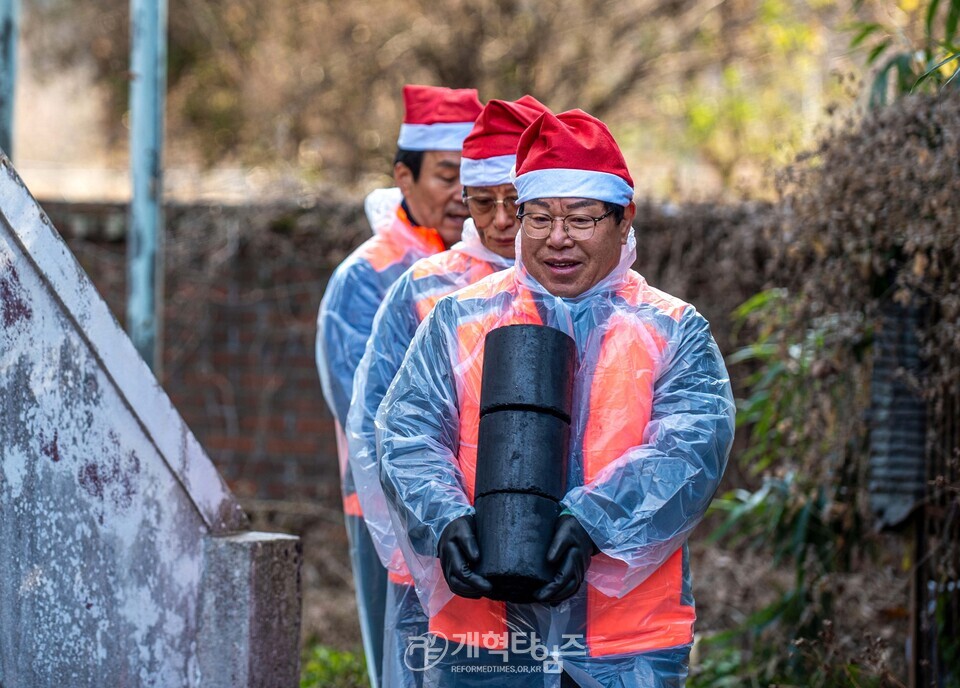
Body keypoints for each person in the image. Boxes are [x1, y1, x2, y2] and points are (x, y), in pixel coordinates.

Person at [377, 109, 736, 687]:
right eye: (539, 217)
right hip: (483, 629)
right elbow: (407, 434)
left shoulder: (672, 328)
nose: (558, 238)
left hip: (627, 638)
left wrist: (593, 525)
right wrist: (445, 522)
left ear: (624, 219)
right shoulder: (461, 318)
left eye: (580, 218)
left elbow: (690, 453)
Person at [345, 96, 548, 688]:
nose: (502, 221)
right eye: (483, 203)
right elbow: (379, 429)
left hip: (556, 560)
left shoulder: (570, 283)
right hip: (445, 557)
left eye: (517, 203)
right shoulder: (424, 289)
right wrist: (426, 539)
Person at [315, 84, 483, 688]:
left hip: (473, 507)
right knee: (405, 660)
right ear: (403, 178)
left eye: (476, 178)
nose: (463, 195)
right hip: (389, 506)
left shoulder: (486, 269)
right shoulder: (369, 275)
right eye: (446, 176)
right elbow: (368, 410)